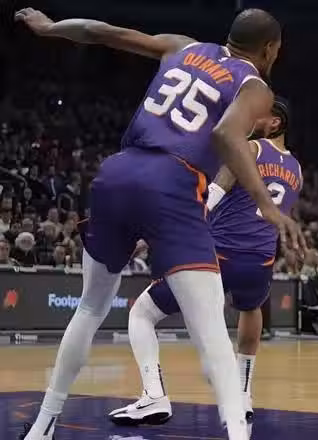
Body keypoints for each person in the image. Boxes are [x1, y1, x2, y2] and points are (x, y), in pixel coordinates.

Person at [15, 7, 305, 440]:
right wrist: (266, 203)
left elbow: (99, 30)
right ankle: (236, 433)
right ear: (270, 49)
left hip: (117, 173)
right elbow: (226, 135)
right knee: (211, 332)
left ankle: (42, 426)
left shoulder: (183, 46)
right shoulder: (255, 86)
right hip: (174, 181)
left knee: (90, 308)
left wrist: (48, 27)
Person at [108, 98, 301, 426]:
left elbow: (212, 194)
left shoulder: (249, 148)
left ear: (275, 122)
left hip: (220, 253)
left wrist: (158, 233)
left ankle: (153, 396)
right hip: (261, 259)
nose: (248, 120)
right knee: (250, 309)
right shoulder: (296, 169)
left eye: (256, 115)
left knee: (142, 313)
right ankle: (243, 395)